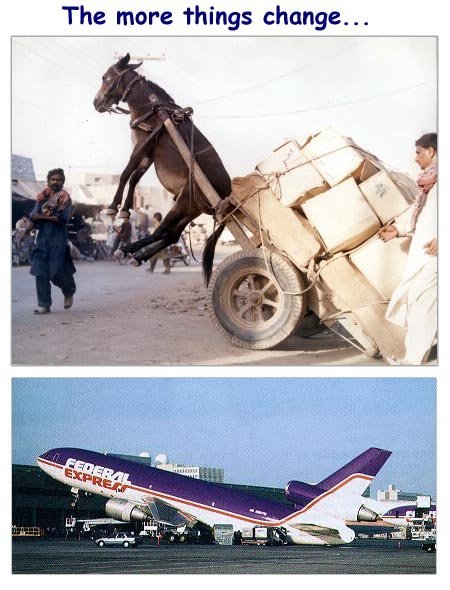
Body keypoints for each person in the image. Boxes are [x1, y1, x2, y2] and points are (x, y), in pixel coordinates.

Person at [378, 133, 437, 365]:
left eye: (418, 153)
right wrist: (398, 230)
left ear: (431, 151)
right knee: (418, 300)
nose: (415, 159)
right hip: (426, 255)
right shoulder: (430, 184)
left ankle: (412, 362)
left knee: (422, 302)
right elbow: (420, 214)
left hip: (437, 256)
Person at [26, 168, 76, 314]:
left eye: (58, 180)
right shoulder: (42, 197)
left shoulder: (65, 198)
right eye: (53, 179)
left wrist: (40, 217)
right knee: (40, 272)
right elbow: (33, 216)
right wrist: (26, 231)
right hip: (42, 238)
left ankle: (68, 291)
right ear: (48, 181)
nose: (55, 182)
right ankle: (44, 304)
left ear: (62, 182)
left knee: (56, 272)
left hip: (58, 238)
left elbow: (60, 219)